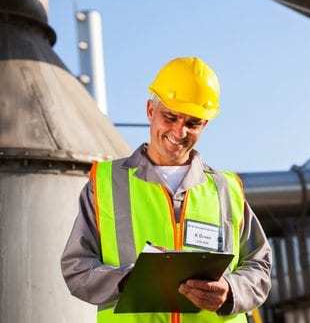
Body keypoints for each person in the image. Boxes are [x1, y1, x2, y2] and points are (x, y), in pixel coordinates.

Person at [61, 57, 272, 323]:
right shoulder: (105, 183)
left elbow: (259, 266)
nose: (179, 131)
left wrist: (230, 290)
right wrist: (128, 280)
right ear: (150, 110)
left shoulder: (226, 189)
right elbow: (76, 267)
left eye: (193, 123)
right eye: (170, 117)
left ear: (205, 125)